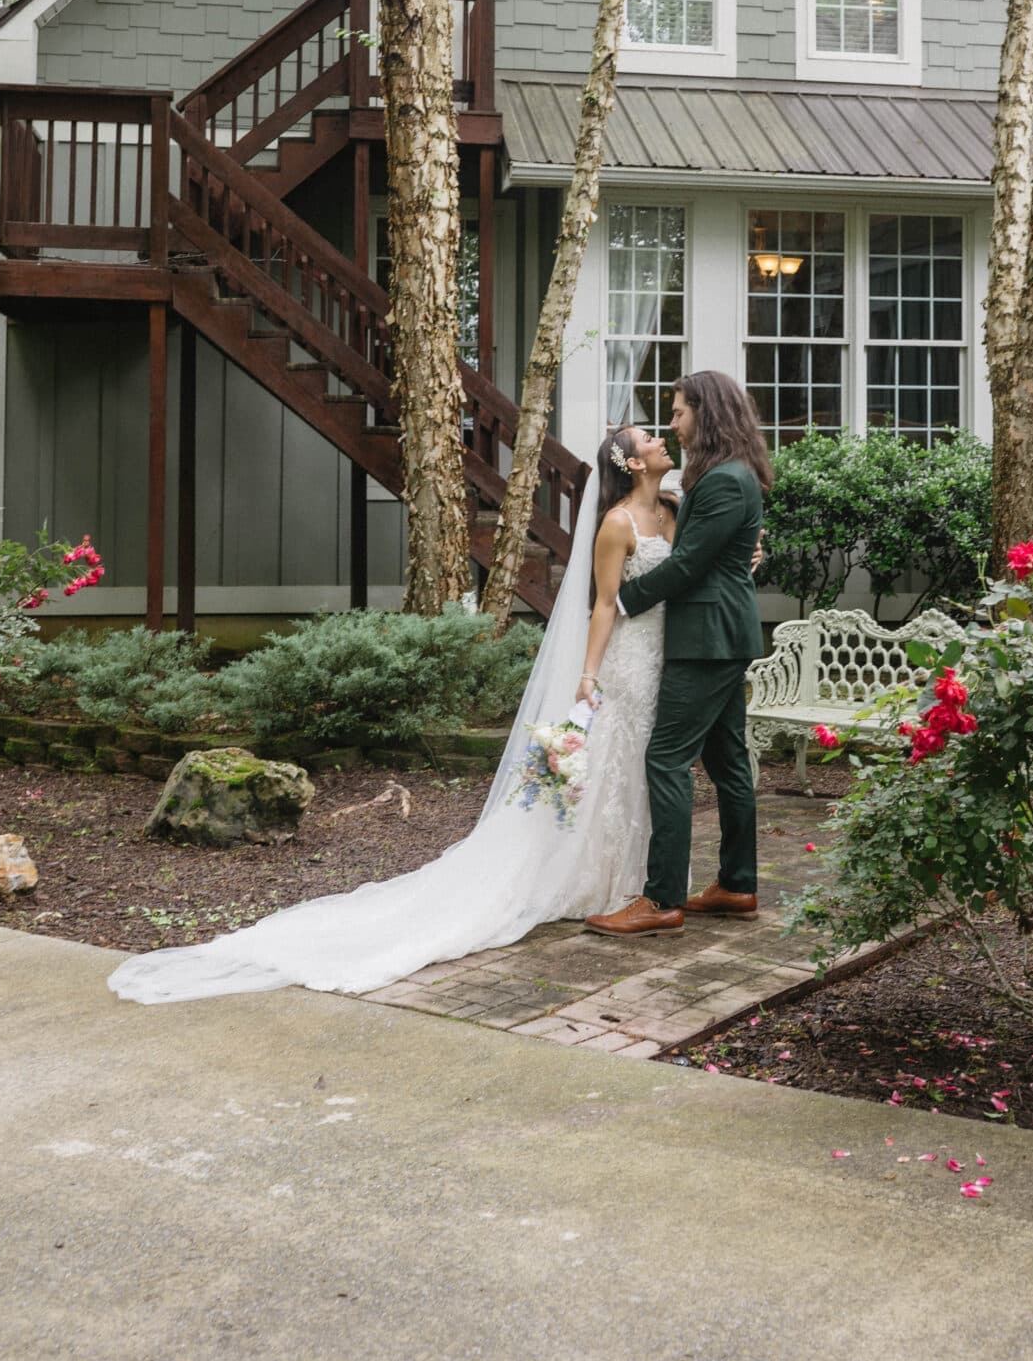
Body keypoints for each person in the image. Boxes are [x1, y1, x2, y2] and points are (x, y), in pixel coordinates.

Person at [106, 422, 680, 1004]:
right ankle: (600, 879)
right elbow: (604, 604)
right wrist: (588, 674)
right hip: (623, 663)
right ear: (631, 464)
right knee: (608, 764)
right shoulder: (616, 524)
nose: (661, 439)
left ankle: (635, 876)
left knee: (636, 765)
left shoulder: (673, 514)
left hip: (660, 661)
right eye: (649, 438)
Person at [585, 370, 772, 940]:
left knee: (666, 759)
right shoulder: (717, 479)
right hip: (717, 636)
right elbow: (718, 554)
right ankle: (737, 884)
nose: (673, 422)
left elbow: (689, 564)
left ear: (706, 414)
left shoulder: (721, 482)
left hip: (706, 640)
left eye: (680, 411)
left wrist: (627, 600)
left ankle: (661, 898)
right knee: (727, 762)